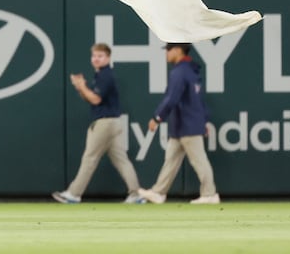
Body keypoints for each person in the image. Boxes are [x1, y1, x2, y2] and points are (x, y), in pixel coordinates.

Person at [51, 43, 145, 204]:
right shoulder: (101, 74)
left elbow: (96, 99)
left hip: (105, 123)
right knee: (121, 160)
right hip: (113, 122)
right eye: (94, 56)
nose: (96, 59)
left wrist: (82, 86)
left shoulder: (105, 75)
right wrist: (81, 88)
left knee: (90, 158)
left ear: (108, 58)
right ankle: (136, 194)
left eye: (100, 56)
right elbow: (90, 98)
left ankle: (74, 193)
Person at [139, 42, 218, 205]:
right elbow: (198, 100)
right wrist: (204, 120)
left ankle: (210, 194)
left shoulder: (180, 72)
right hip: (183, 125)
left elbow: (171, 99)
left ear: (178, 50)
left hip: (188, 124)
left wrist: (157, 118)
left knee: (199, 161)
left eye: (168, 50)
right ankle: (159, 192)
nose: (166, 54)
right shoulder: (190, 70)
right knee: (171, 161)